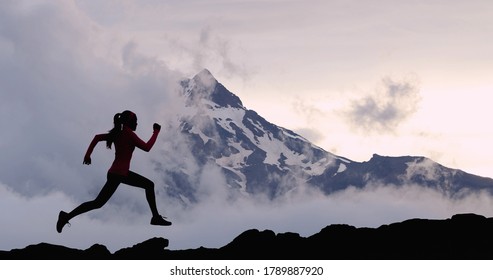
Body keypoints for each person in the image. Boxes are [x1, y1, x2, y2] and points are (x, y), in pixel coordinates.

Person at [56, 110, 171, 233]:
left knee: (97, 203)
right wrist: (156, 132)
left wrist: (88, 155)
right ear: (129, 122)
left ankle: (66, 216)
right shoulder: (129, 134)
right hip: (121, 174)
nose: (137, 124)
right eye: (135, 122)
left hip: (114, 173)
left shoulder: (118, 132)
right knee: (149, 185)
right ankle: (155, 217)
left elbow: (97, 138)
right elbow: (147, 148)